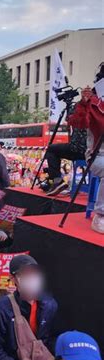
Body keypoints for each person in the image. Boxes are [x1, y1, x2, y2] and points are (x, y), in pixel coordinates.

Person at [68, 63, 104, 233]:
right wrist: (83, 104)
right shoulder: (93, 103)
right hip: (98, 154)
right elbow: (78, 123)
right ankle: (101, 214)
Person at [43, 125, 87, 197]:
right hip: (96, 152)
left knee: (51, 149)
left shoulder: (84, 114)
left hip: (80, 149)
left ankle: (57, 180)